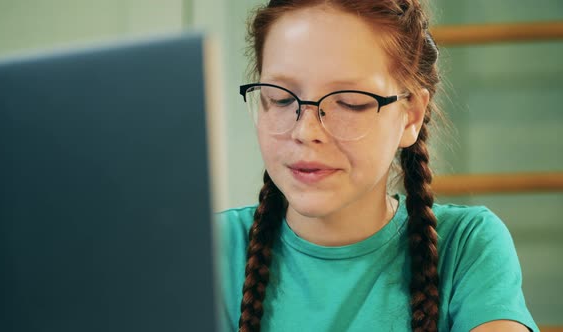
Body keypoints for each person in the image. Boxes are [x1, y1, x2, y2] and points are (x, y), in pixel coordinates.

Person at [217, 0, 538, 331]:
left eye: (349, 102)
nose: (305, 131)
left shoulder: (465, 245)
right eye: (281, 98)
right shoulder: (209, 248)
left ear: (411, 115)